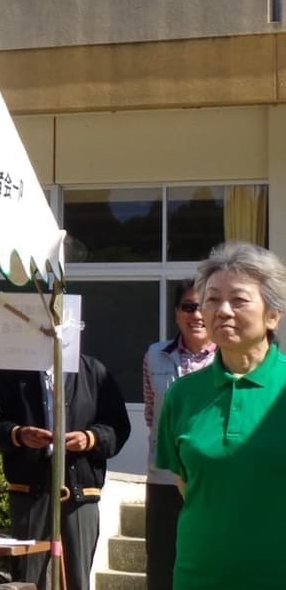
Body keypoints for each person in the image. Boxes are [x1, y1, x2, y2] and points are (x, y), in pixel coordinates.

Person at [155, 241, 286, 590]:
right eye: (211, 299)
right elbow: (191, 487)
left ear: (273, 315)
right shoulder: (182, 395)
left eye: (239, 300)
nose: (221, 311)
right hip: (199, 576)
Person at [0, 351, 131, 590]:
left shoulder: (94, 371)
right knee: (27, 576)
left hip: (80, 491)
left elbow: (118, 426)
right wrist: (18, 434)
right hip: (30, 490)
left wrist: (91, 438)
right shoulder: (13, 372)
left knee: (77, 577)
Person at [140, 279, 215, 590]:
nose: (196, 315)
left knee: (209, 560)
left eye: (202, 307)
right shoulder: (155, 355)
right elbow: (150, 412)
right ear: (176, 313)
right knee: (161, 563)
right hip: (164, 477)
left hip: (211, 478)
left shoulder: (228, 359)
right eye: (188, 307)